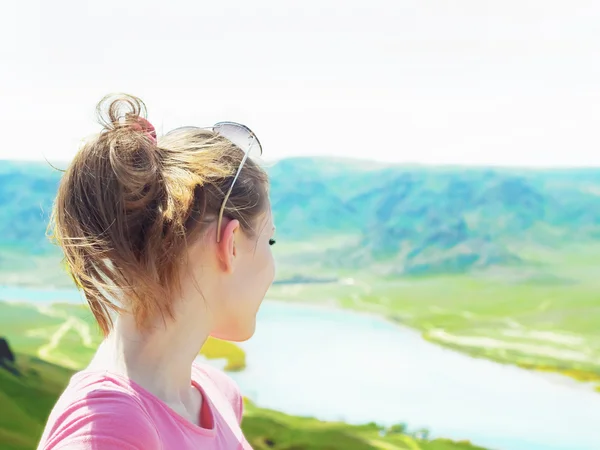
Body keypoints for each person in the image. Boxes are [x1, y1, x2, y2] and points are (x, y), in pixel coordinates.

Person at [37, 94, 276, 449]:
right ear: (232, 244)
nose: (273, 268)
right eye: (270, 242)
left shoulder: (220, 396)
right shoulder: (108, 431)